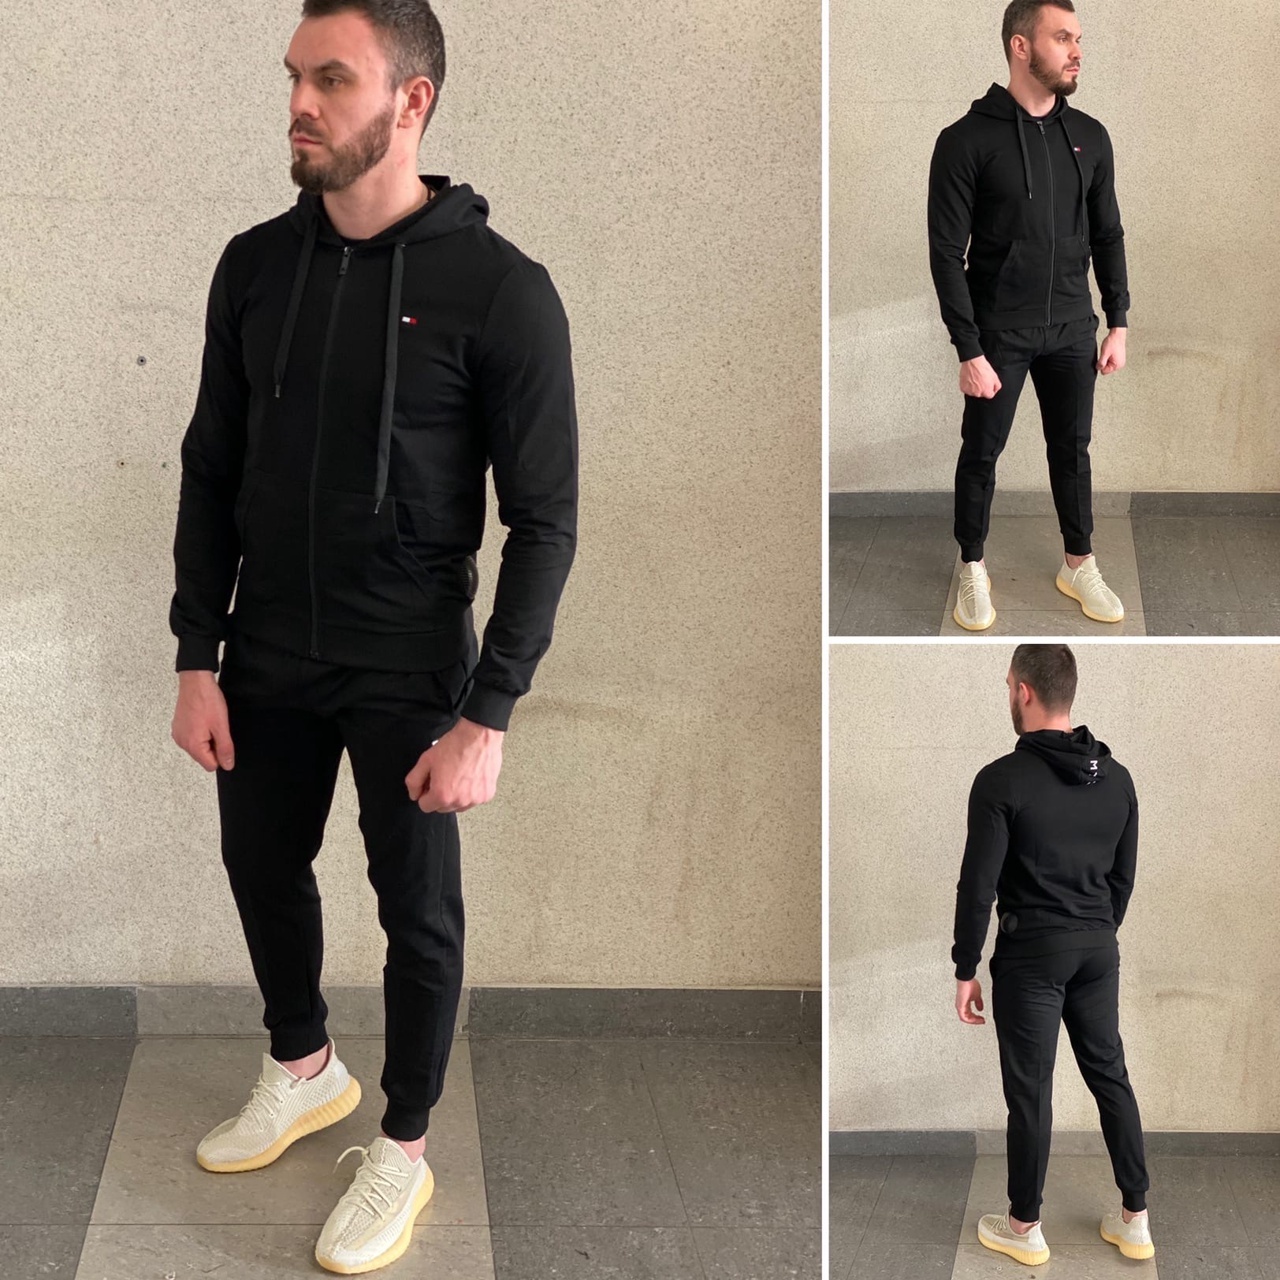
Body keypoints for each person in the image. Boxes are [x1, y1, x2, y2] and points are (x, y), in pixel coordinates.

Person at [167, 1, 578, 1272]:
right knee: (259, 862)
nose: (299, 102)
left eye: (330, 79)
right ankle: (304, 1065)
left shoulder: (500, 291)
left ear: (411, 102)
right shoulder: (253, 266)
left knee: (417, 912)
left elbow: (545, 521)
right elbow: (209, 466)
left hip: (410, 660)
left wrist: (487, 711)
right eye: (294, 76)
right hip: (266, 649)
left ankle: (401, 1141)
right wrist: (195, 652)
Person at [928, 0, 1130, 631]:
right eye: (1062, 38)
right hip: (998, 332)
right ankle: (972, 565)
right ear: (1021, 46)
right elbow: (946, 252)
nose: (1077, 51)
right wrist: (968, 348)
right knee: (981, 453)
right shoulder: (965, 141)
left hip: (1072, 325)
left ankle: (1079, 563)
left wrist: (1117, 319)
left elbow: (1108, 233)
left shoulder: (1090, 137)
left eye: (1079, 38)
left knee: (1073, 449)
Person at [952, 645, 1154, 1267]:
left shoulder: (1001, 780)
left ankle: (1024, 1226)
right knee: (1109, 1073)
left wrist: (965, 967)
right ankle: (1136, 1219)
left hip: (1031, 957)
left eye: (1008, 685)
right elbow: (1123, 877)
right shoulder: (1117, 778)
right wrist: (1094, 930)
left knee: (1031, 1089)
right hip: (1097, 949)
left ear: (1023, 691)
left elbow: (978, 886)